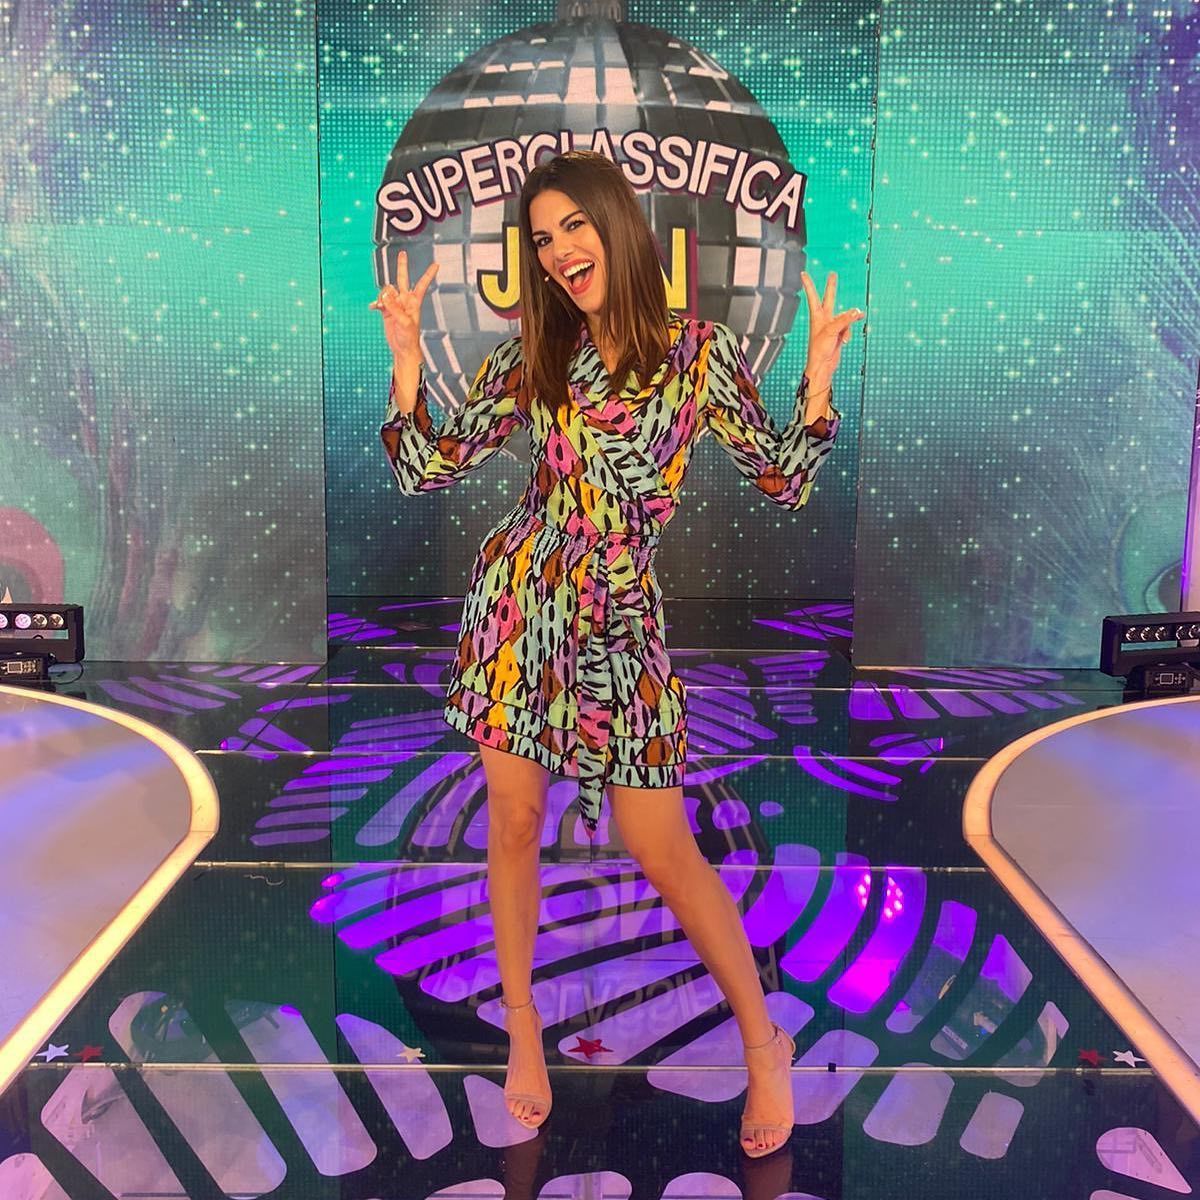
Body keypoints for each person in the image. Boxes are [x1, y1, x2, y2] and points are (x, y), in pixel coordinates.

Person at [370, 149, 863, 1158]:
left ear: (618, 226)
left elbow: (782, 480)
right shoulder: (533, 355)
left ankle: (764, 1046)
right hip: (521, 608)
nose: (559, 251)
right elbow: (427, 470)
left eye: (574, 227)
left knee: (663, 845)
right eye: (542, 239)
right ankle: (524, 1032)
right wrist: (408, 360)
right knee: (513, 825)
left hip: (623, 615)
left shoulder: (701, 353)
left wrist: (817, 383)